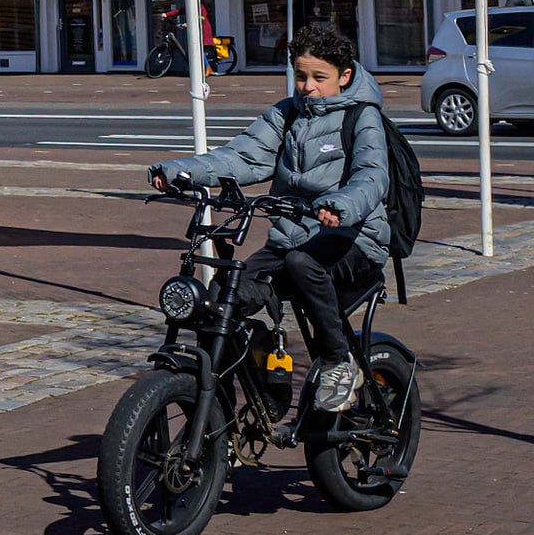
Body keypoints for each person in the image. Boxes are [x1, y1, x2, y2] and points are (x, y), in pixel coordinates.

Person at [149, 21, 390, 413]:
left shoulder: (361, 117)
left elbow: (372, 175)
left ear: (344, 77)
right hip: (291, 241)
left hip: (353, 239)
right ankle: (238, 399)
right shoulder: (286, 115)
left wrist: (341, 206)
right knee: (224, 301)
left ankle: (338, 361)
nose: (307, 86)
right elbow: (241, 157)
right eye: (300, 76)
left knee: (301, 263)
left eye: (318, 77)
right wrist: (178, 171)